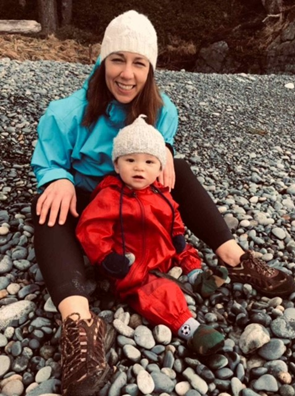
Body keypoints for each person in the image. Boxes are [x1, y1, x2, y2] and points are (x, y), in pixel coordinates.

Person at [30, 9, 295, 396]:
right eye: (117, 59)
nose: (127, 73)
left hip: (136, 198)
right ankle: (80, 326)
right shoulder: (66, 113)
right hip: (91, 202)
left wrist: (165, 149)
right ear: (102, 60)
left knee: (180, 167)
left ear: (151, 69)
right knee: (49, 207)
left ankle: (237, 259)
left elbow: (159, 153)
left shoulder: (162, 110)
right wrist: (56, 178)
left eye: (139, 63)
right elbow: (49, 157)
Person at [76, 114, 229, 357]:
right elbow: (91, 229)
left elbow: (173, 215)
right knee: (155, 292)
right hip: (132, 266)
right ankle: (189, 327)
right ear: (117, 165)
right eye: (130, 160)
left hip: (161, 251)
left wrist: (178, 236)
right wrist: (106, 258)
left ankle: (196, 276)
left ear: (159, 167)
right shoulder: (110, 197)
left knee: (185, 251)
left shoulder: (160, 192)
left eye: (149, 162)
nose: (139, 167)